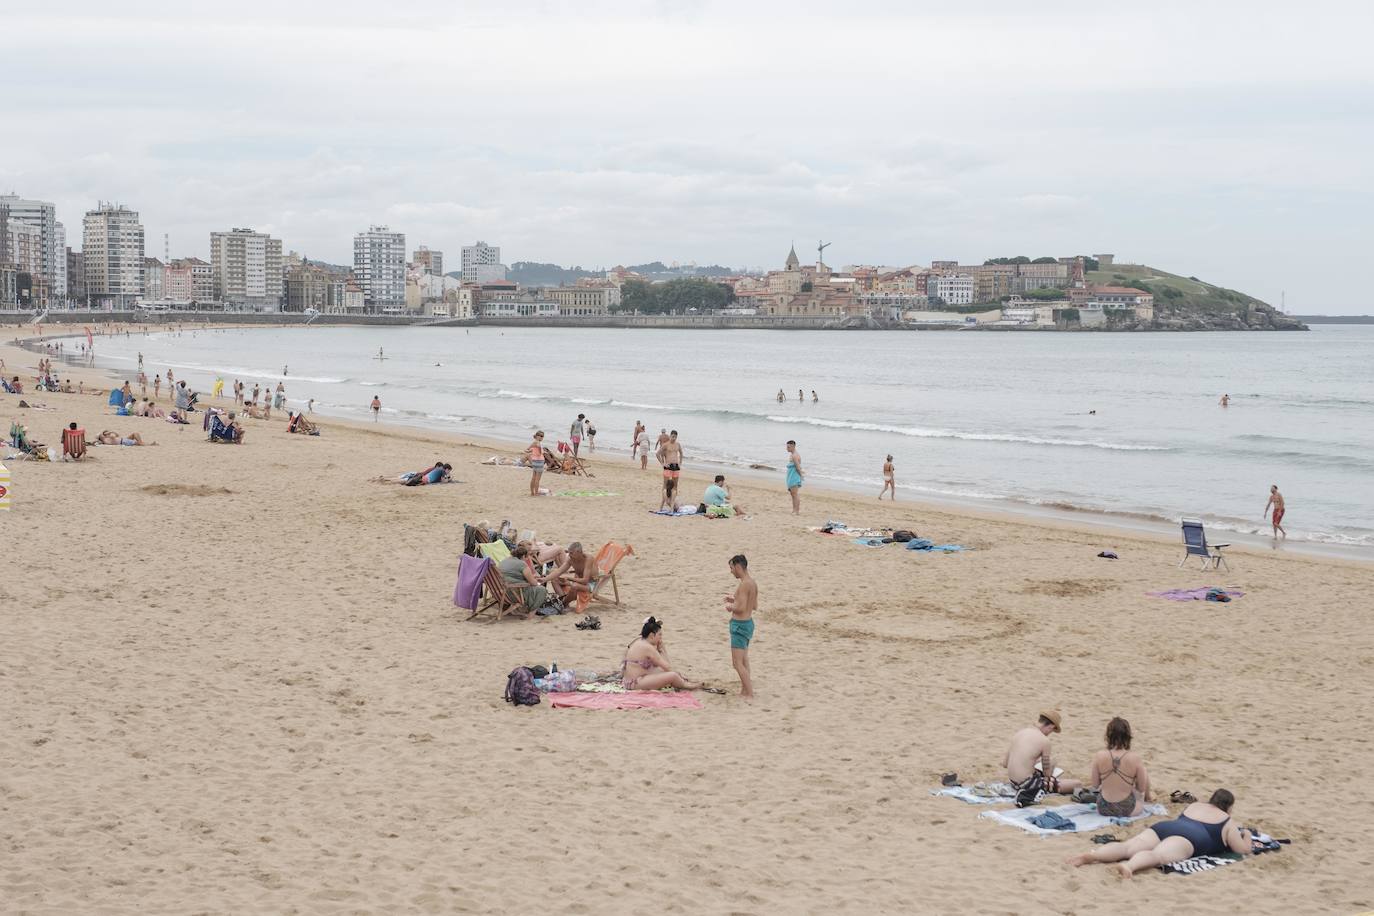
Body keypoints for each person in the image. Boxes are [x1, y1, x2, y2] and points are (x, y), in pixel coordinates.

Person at [1066, 790, 1252, 879]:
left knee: (1128, 846)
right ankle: (1129, 867)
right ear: (1229, 807)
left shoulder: (1195, 805)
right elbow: (1242, 850)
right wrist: (1247, 835)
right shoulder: (1227, 820)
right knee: (1158, 856)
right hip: (1190, 838)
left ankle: (1091, 855)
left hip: (1168, 826)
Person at [1003, 710, 1083, 807]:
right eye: (1052, 730)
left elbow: (1005, 764)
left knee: (1049, 763)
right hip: (1027, 784)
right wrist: (1049, 770)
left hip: (1013, 781)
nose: (1050, 733)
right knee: (1077, 784)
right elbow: (1047, 774)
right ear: (1051, 726)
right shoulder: (1044, 741)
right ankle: (1027, 795)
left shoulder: (1020, 732)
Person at [1089, 717, 1151, 817]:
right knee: (1143, 771)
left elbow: (1095, 784)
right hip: (1126, 808)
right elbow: (1141, 788)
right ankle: (1149, 798)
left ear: (1108, 736)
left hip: (1103, 807)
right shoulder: (1135, 758)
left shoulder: (1099, 755)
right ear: (1128, 736)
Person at [621, 617, 702, 691]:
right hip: (636, 683)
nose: (661, 638)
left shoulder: (638, 641)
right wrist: (662, 649)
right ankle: (686, 685)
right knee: (673, 675)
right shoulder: (648, 648)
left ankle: (683, 681)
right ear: (652, 635)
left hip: (629, 681)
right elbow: (667, 667)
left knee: (663, 672)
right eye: (659, 635)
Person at [726, 554, 756, 698]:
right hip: (748, 623)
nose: (731, 571)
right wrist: (735, 598)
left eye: (732, 568)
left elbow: (741, 608)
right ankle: (745, 690)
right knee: (744, 660)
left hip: (740, 625)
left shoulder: (744, 584)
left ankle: (749, 692)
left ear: (738, 567)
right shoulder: (752, 583)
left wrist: (730, 606)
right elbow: (754, 605)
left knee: (737, 663)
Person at [498, 545, 549, 617]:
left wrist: (531, 577)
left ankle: (512, 610)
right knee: (541, 590)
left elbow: (513, 575)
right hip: (513, 594)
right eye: (527, 556)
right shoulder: (522, 564)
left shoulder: (504, 561)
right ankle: (531, 614)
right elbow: (533, 583)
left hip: (500, 591)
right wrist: (536, 579)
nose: (528, 559)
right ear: (523, 556)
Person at [785, 440, 804, 515]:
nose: (787, 448)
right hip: (791, 476)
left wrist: (801, 475)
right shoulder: (792, 454)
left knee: (795, 494)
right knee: (792, 494)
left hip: (794, 477)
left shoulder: (795, 455)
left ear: (793, 446)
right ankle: (794, 510)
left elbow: (798, 467)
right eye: (787, 446)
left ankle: (796, 511)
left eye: (788, 447)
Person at [527, 431, 546, 496]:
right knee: (537, 479)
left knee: (533, 478)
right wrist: (541, 451)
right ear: (537, 436)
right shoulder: (537, 443)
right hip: (539, 461)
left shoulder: (533, 443)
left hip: (534, 461)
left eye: (542, 436)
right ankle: (536, 493)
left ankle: (532, 492)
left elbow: (527, 450)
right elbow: (539, 450)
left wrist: (531, 452)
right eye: (540, 436)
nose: (541, 437)